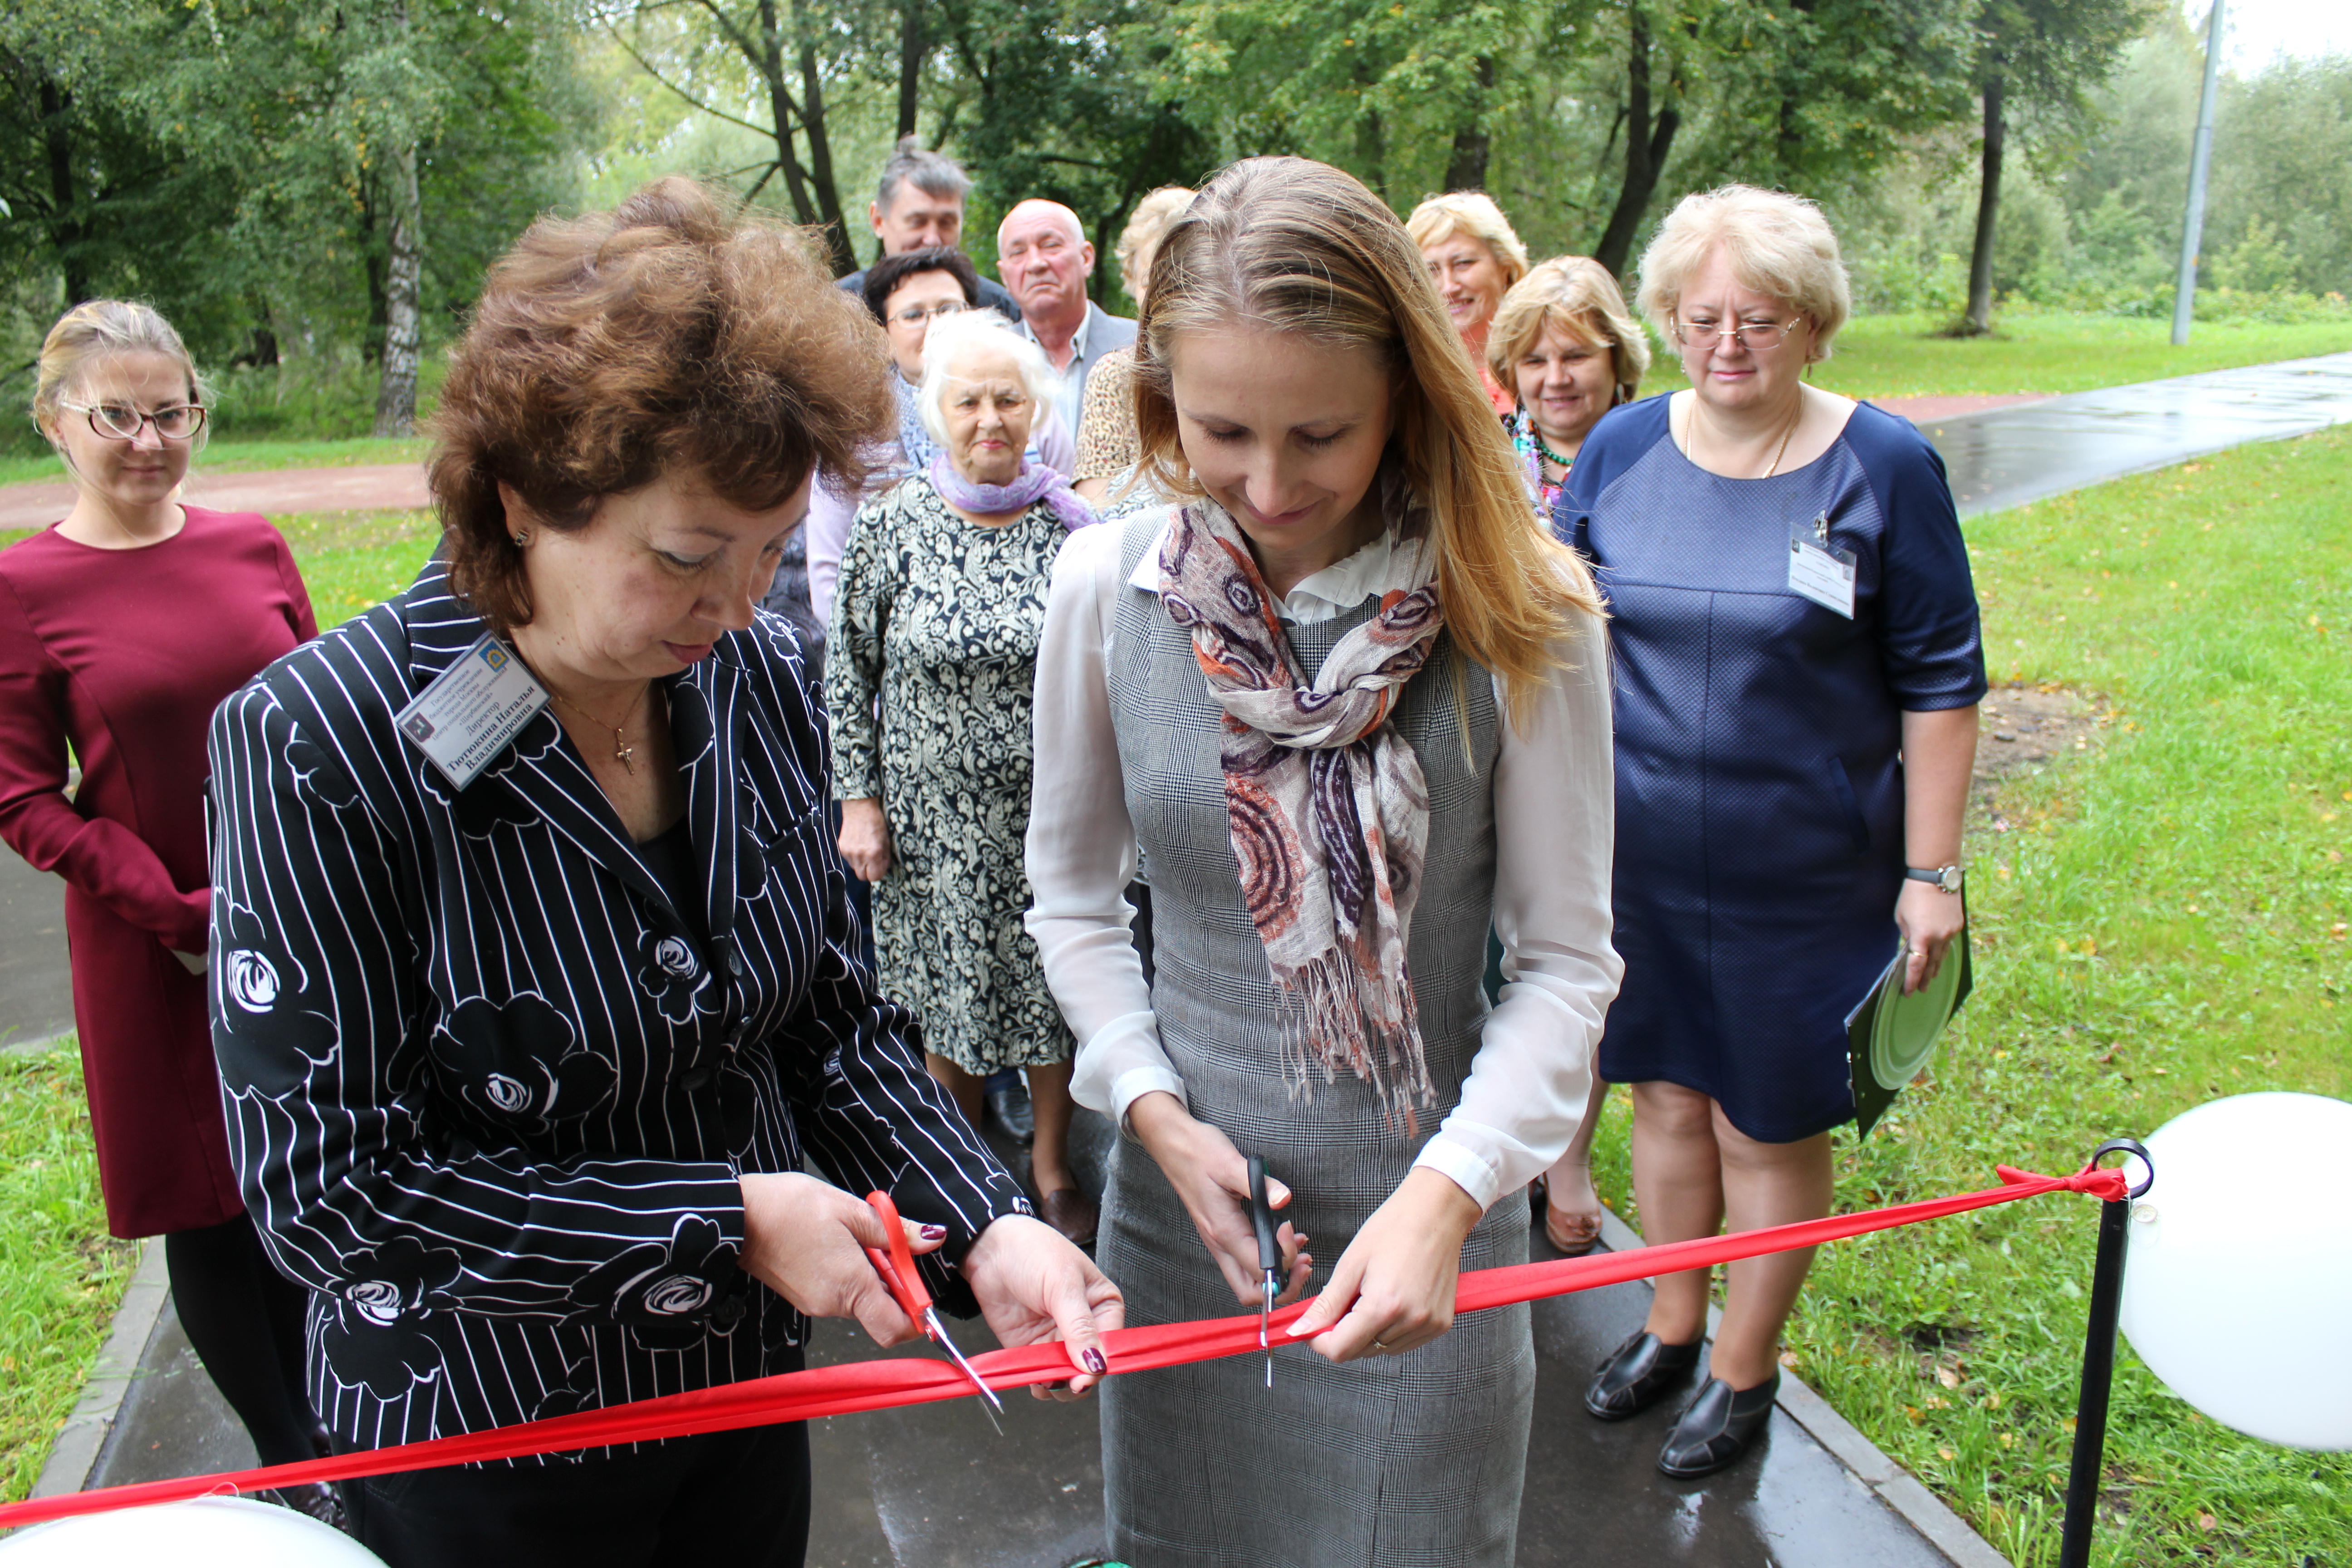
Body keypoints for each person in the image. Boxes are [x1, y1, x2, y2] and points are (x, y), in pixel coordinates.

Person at [205, 179, 1120, 1567]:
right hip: (486, 1439)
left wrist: (985, 1218)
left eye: (768, 553)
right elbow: (333, 1191)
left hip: (742, 1406)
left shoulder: (747, 676)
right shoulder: (318, 741)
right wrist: (721, 1222)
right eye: (691, 557)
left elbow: (823, 1013)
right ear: (523, 500)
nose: (744, 606)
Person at [1027, 156, 1620, 1565]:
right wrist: (1155, 1116)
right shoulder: (1106, 589)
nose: (1270, 484)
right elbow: (1071, 899)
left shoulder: (1525, 608)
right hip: (1183, 1223)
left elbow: (1564, 961)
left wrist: (1454, 1194)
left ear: (1407, 395)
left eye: (1323, 434)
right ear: (1163, 398)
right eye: (1223, 430)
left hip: (1435, 1223)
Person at [1552, 184, 1982, 1479]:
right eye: (1702, 316)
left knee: (1764, 1125)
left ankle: (1746, 1370)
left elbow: (1943, 680)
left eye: (1761, 318)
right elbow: (1559, 630)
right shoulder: (1621, 449)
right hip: (1637, 865)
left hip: (1806, 872)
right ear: (1672, 319)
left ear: (1813, 326)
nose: (1729, 341)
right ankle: (1673, 1325)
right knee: (1667, 1100)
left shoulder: (1884, 464)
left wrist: (1932, 874)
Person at [0, 301, 334, 1521]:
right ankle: (293, 1464)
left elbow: (321, 717)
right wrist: (174, 908)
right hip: (163, 945)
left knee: (311, 1166)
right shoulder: (25, 585)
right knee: (213, 1203)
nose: (150, 440)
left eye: (171, 413)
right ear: (57, 424)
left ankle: (349, 1436)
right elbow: (21, 795)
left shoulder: (251, 545)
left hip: (299, 918)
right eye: (118, 417)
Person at [830, 310, 1100, 1247]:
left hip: (1049, 819)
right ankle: (964, 1168)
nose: (990, 416)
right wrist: (857, 801)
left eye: (1008, 398)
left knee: (1050, 998)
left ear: (1037, 411)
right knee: (945, 999)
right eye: (969, 399)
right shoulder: (891, 522)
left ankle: (1053, 1165)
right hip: (928, 822)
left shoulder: (1076, 531)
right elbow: (847, 669)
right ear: (936, 413)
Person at [799, 246, 1075, 629]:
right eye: (913, 315)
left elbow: (1068, 513)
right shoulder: (854, 431)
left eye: (949, 308)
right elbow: (832, 583)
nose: (935, 325)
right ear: (883, 335)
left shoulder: (1029, 411)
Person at [1486, 254, 1651, 518]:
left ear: (1617, 357)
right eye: (1535, 361)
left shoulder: (1657, 453)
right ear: (1512, 371)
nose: (1557, 379)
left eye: (1575, 357)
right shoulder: (1482, 463)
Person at [1072, 186, 1193, 506]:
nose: (1168, 293)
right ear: (1131, 282)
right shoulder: (1114, 376)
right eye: (1155, 278)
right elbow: (1093, 508)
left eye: (1186, 276)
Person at [835, 136, 1021, 321]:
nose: (932, 239)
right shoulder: (838, 308)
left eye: (946, 223)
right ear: (878, 221)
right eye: (918, 222)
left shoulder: (998, 309)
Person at [997, 198, 1137, 439]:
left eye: (1050, 245)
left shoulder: (1141, 346)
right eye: (1018, 252)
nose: (1035, 264)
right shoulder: (991, 359)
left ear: (1086, 258)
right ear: (1004, 276)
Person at [1406, 191, 1529, 418]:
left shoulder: (1543, 364)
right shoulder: (1405, 377)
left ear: (1505, 268)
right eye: (1431, 270)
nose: (1449, 286)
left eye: (1463, 263)